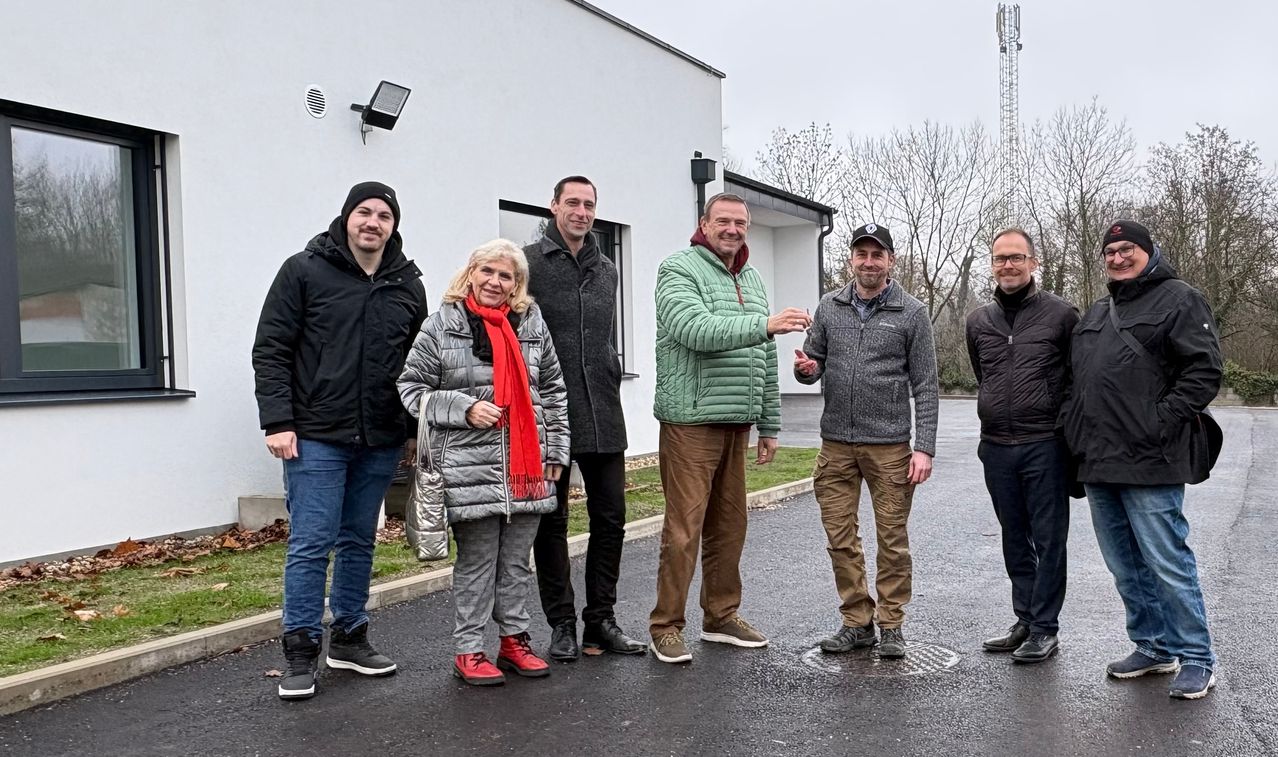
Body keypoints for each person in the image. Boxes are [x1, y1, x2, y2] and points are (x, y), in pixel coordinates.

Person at [252, 181, 428, 700]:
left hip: (380, 436)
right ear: (347, 217)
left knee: (360, 540)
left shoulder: (407, 285)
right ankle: (301, 651)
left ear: (394, 226)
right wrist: (277, 421)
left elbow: (420, 366)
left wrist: (414, 432)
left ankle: (349, 638)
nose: (373, 223)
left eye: (384, 216)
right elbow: (272, 349)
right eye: (364, 212)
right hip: (315, 436)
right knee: (311, 543)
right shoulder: (304, 271)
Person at [1061, 220, 1223, 700]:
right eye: (1109, 251)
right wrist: (1074, 431)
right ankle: (1153, 646)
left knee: (1167, 561)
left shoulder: (1180, 298)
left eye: (1127, 249)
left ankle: (1196, 657)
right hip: (1099, 460)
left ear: (1149, 252)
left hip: (1152, 458)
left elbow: (1204, 370)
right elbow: (1077, 380)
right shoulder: (1097, 310)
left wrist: (1159, 420)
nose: (1117, 258)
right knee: (1125, 565)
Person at [648, 192, 811, 664]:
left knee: (730, 526)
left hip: (737, 422)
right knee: (684, 530)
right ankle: (666, 625)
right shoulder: (677, 269)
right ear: (705, 223)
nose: (733, 229)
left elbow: (763, 357)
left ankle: (720, 616)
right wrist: (765, 324)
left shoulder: (753, 278)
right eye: (724, 221)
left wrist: (770, 423)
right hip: (690, 420)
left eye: (740, 222)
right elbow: (694, 329)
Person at [398, 239, 570, 686]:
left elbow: (553, 391)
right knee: (476, 564)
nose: (495, 282)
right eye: (487, 272)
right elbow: (411, 388)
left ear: (517, 283)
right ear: (470, 273)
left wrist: (556, 452)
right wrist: (464, 408)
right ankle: (469, 649)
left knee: (515, 563)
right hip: (468, 466)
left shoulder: (532, 323)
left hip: (527, 466)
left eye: (505, 275)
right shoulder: (442, 325)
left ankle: (514, 641)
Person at [794, 223, 938, 660]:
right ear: (851, 259)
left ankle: (891, 624)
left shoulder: (911, 312)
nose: (869, 262)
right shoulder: (829, 306)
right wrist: (807, 370)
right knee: (840, 539)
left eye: (878, 254)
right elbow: (813, 360)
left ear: (890, 261)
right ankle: (857, 622)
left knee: (892, 540)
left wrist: (924, 447)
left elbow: (926, 384)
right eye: (862, 254)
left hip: (890, 446)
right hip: (836, 444)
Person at [526, 176, 645, 660]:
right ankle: (560, 624)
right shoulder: (528, 263)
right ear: (554, 206)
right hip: (549, 415)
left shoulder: (608, 269)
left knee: (610, 518)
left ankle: (601, 621)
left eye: (589, 204)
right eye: (572, 202)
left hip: (603, 412)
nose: (581, 211)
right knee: (549, 523)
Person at [965, 228, 1078, 663]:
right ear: (991, 265)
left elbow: (1074, 381)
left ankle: (1046, 628)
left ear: (1034, 262)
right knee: (1014, 537)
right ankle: (1026, 619)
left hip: (1045, 443)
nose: (1007, 265)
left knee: (1049, 539)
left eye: (1016, 257)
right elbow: (985, 377)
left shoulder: (1062, 315)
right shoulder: (978, 321)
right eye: (999, 258)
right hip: (996, 446)